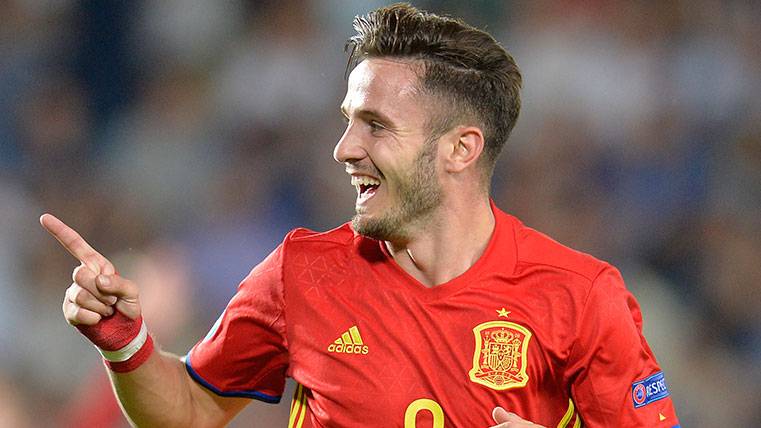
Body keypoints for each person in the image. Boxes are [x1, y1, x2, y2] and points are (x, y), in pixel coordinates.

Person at [40, 4, 680, 427]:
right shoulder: (302, 272)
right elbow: (191, 409)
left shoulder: (582, 296)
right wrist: (125, 343)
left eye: (376, 126)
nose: (344, 149)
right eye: (349, 122)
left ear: (461, 149)